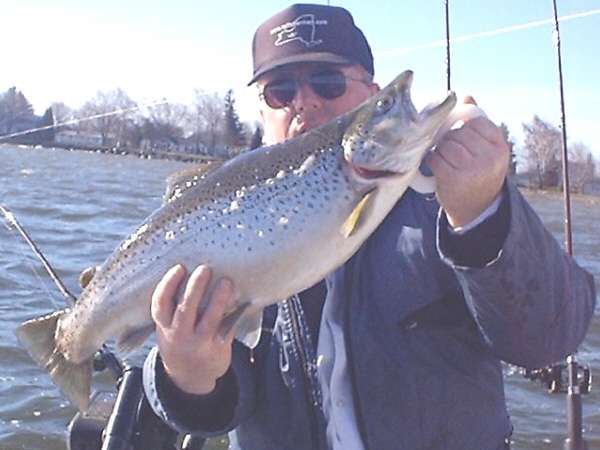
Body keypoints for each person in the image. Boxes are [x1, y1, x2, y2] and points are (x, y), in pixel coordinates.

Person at [142, 4, 596, 449]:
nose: (305, 101)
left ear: (370, 94)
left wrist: (483, 217)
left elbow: (549, 338)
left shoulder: (450, 196)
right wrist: (187, 376)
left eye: (328, 81)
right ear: (263, 113)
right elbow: (218, 411)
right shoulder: (224, 222)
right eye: (280, 91)